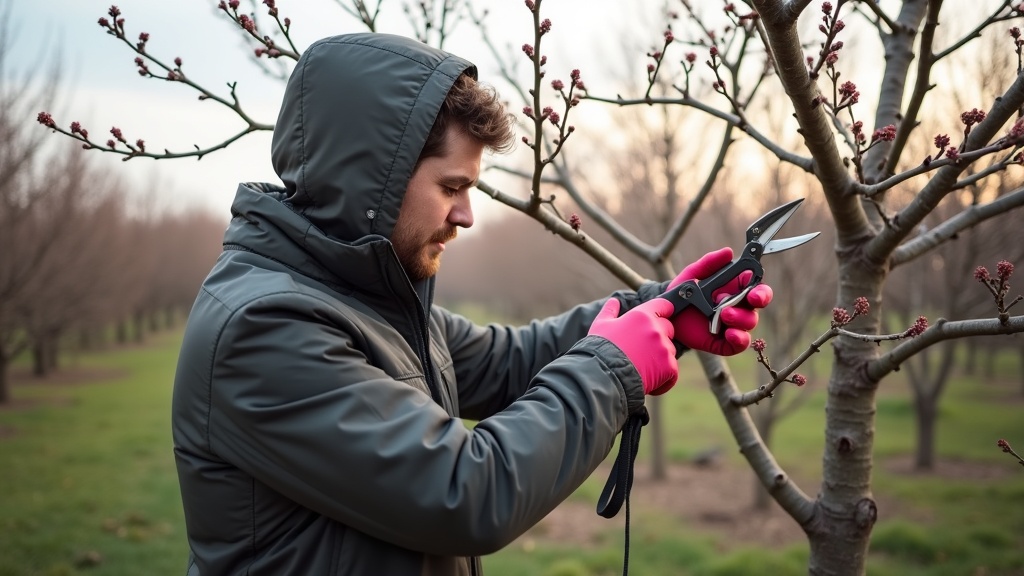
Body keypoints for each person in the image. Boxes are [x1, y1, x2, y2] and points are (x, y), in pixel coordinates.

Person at [171, 32, 773, 576]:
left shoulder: (365, 301)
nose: (465, 214)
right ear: (372, 183)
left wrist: (660, 310)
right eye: (451, 187)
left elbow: (508, 360)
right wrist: (614, 369)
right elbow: (464, 490)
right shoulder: (265, 328)